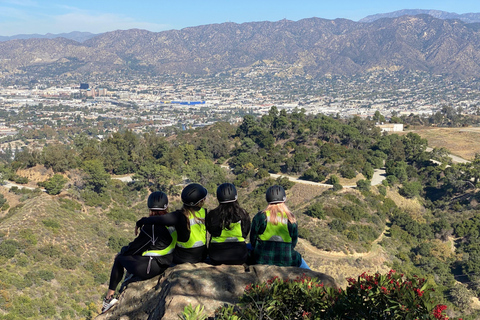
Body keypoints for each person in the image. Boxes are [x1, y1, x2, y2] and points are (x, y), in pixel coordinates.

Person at [102, 191, 176, 313]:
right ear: (166, 206)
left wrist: (123, 251)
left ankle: (108, 299)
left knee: (119, 259)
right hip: (168, 261)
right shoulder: (172, 220)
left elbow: (135, 247)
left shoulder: (151, 227)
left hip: (152, 267)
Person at [136, 183, 208, 264]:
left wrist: (141, 221)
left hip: (182, 259)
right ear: (201, 201)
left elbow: (159, 219)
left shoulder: (179, 215)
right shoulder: (205, 212)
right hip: (202, 256)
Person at [249, 185, 309, 268]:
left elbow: (253, 239)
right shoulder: (290, 218)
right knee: (301, 260)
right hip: (286, 260)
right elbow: (293, 243)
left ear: (267, 199)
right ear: (284, 199)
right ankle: (312, 278)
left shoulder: (261, 216)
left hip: (261, 259)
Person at [206, 183, 251, 265]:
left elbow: (212, 231)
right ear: (236, 196)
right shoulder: (243, 214)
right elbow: (245, 234)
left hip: (216, 257)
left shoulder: (212, 214)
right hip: (239, 256)